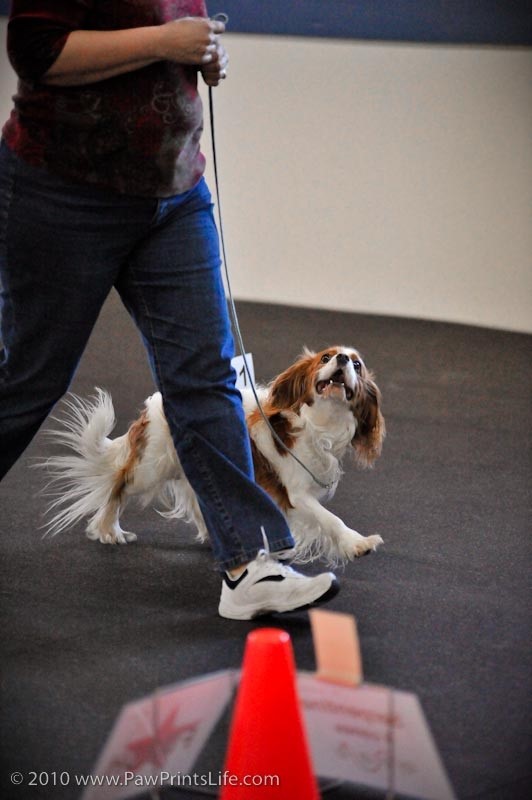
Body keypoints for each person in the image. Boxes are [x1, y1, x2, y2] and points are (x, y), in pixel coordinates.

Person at [0, 0, 339, 619]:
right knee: (28, 377)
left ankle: (249, 565)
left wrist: (201, 57)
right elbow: (35, 50)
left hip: (175, 194)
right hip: (66, 194)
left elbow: (176, 36)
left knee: (206, 378)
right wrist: (165, 43)